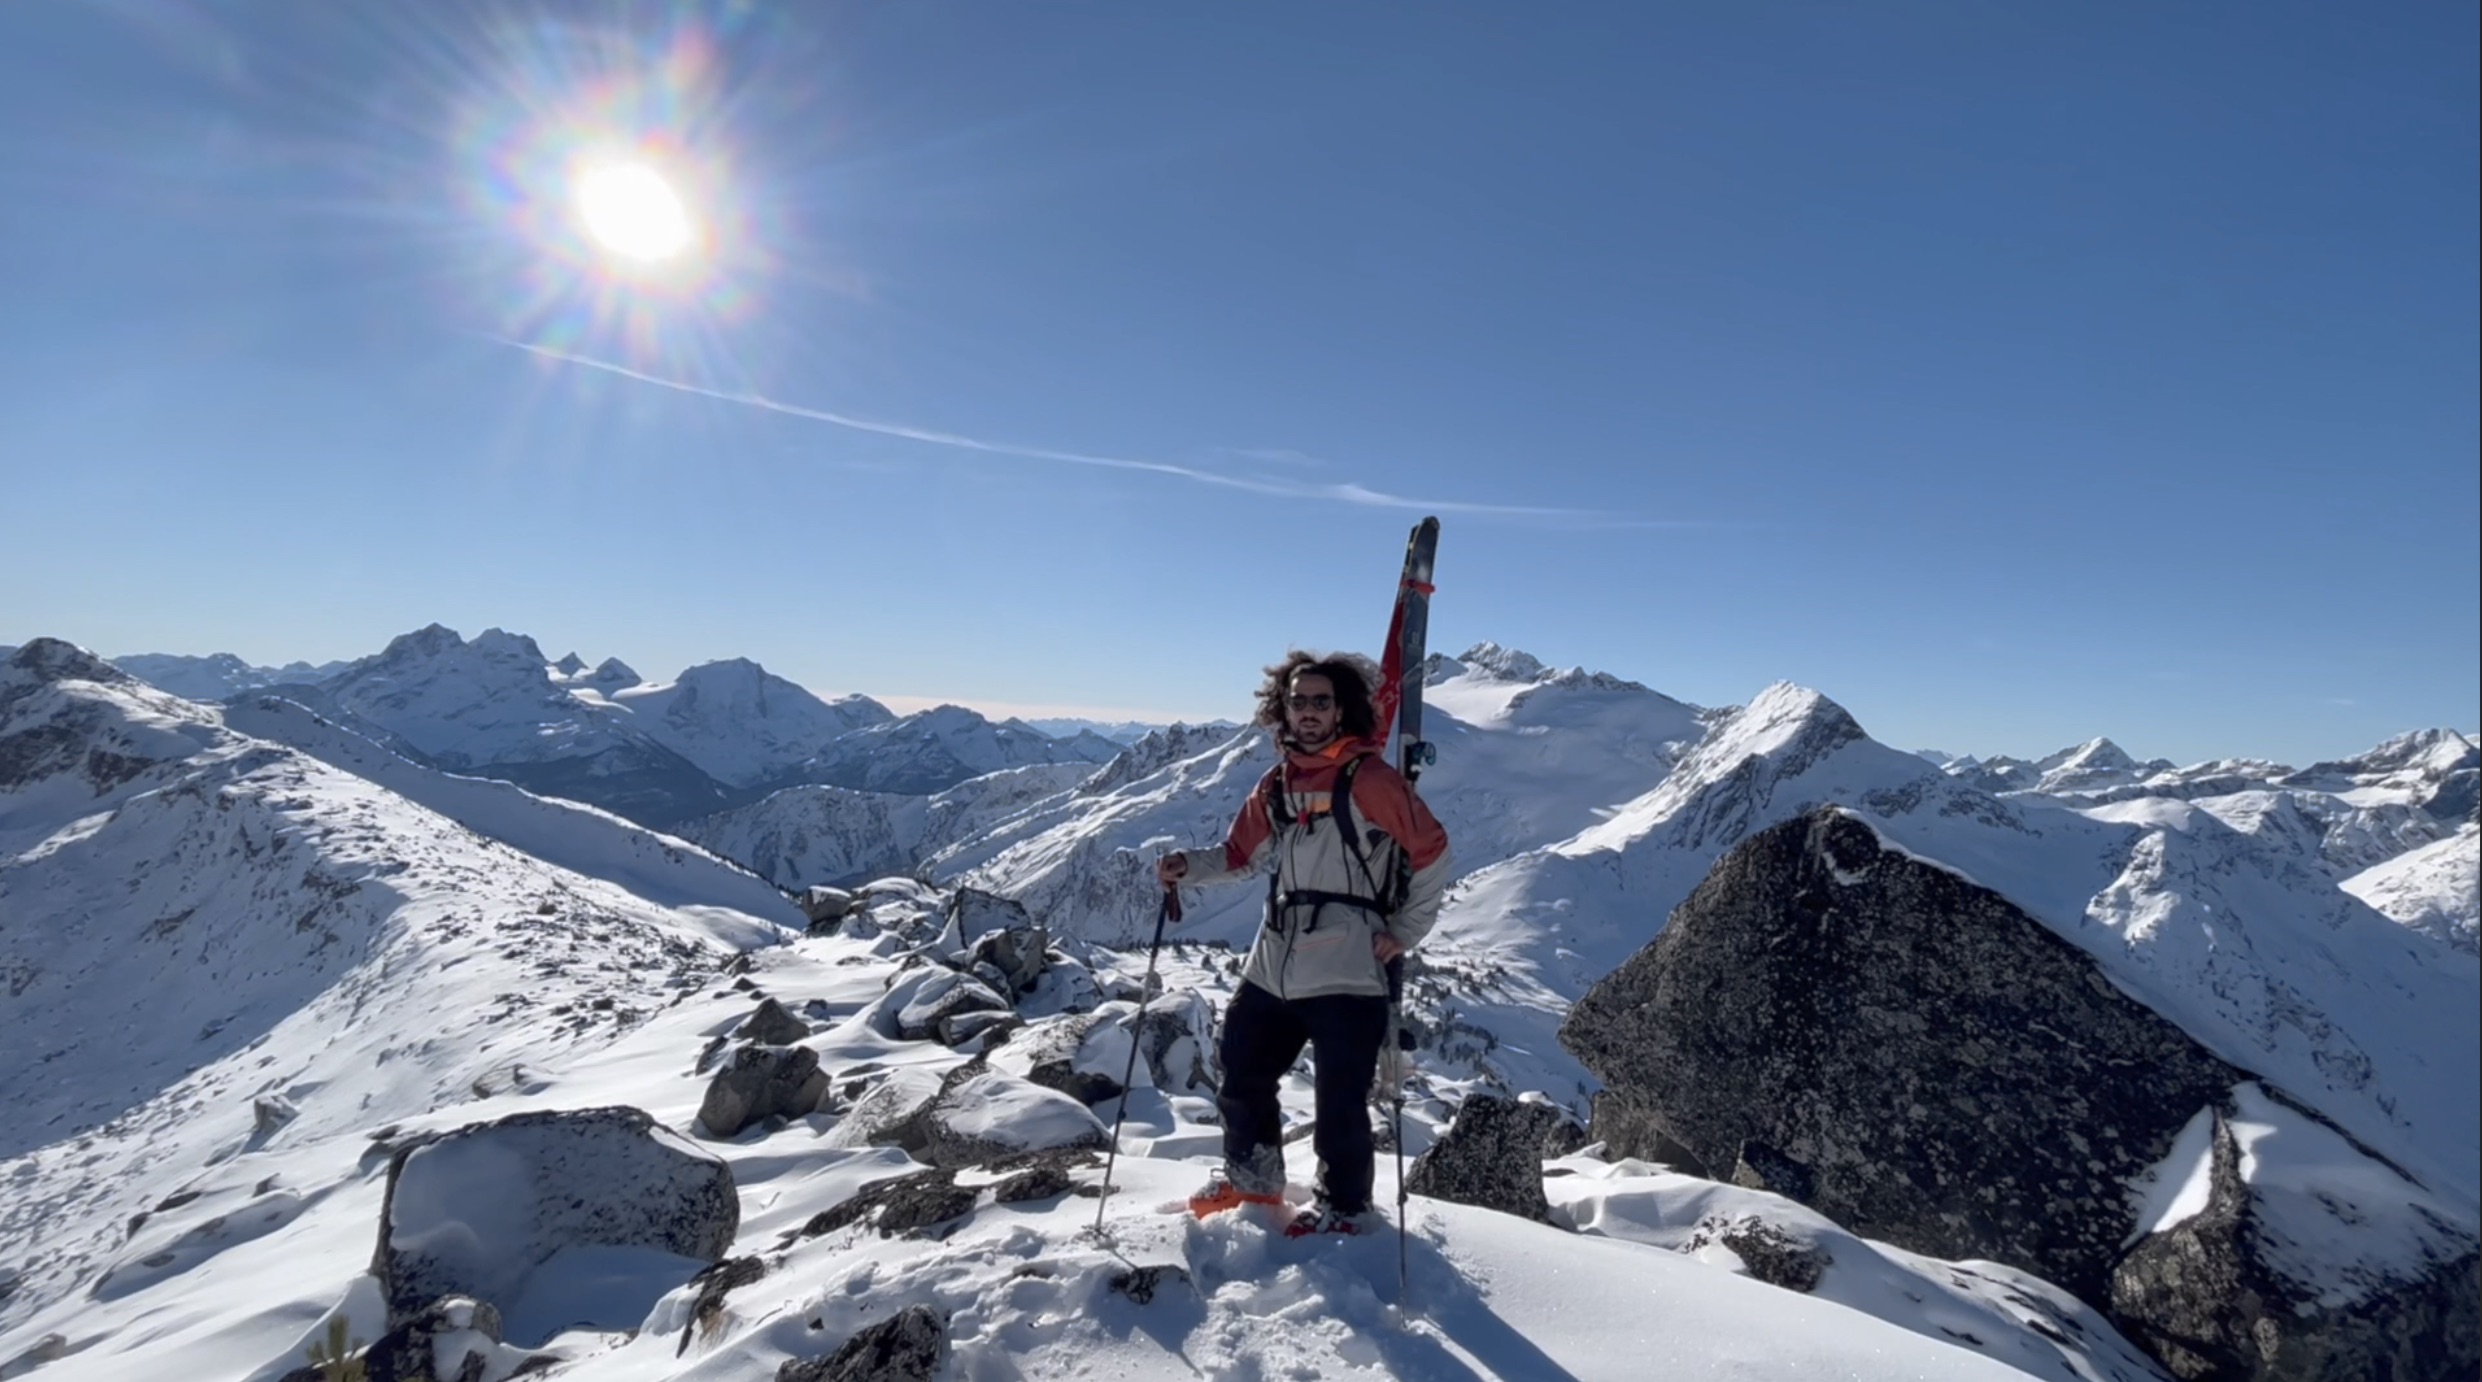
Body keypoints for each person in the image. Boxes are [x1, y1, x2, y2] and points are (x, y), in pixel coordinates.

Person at [1155, 651, 1452, 1236]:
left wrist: (1405, 933)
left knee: (1338, 1100)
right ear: (1282, 710)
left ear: (1343, 709)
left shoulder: (1371, 780)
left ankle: (1344, 1208)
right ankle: (1254, 1184)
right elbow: (1240, 857)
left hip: (1348, 963)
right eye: (1298, 702)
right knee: (1241, 1067)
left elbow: (1432, 853)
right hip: (1276, 959)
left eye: (1321, 701)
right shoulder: (1279, 783)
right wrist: (1187, 867)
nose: (1308, 712)